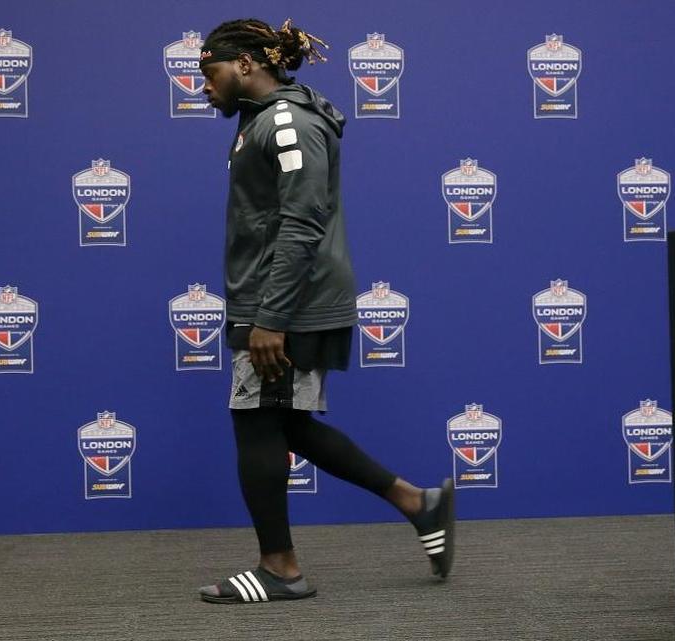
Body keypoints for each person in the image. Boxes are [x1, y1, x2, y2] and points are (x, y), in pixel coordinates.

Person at [195, 18, 454, 604]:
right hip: (274, 297)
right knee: (283, 423)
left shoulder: (288, 122)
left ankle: (281, 569)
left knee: (258, 423)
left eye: (210, 73)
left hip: (289, 304)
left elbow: (302, 222)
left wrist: (270, 318)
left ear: (246, 65)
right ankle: (417, 503)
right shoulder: (262, 121)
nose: (203, 87)